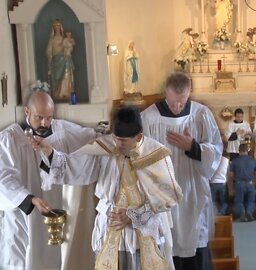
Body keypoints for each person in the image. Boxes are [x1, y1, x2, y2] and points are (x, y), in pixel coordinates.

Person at [34, 106, 182, 270]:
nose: (118, 144)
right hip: (109, 227)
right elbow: (74, 166)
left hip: (141, 232)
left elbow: (168, 197)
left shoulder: (155, 155)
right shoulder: (105, 147)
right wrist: (49, 151)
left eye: (124, 140)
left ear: (139, 137)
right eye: (116, 138)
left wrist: (132, 216)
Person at [0, 87, 96, 269]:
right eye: (39, 117)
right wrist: (30, 199)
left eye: (49, 117)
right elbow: (3, 178)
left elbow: (91, 139)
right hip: (25, 215)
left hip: (57, 210)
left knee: (58, 258)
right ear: (27, 112)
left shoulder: (62, 131)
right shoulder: (9, 139)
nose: (45, 122)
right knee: (27, 258)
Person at [141, 71, 223, 270]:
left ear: (189, 94)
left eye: (182, 101)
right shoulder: (149, 118)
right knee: (166, 247)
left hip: (193, 192)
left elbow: (216, 149)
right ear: (165, 94)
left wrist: (193, 147)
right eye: (172, 102)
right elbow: (140, 158)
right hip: (162, 196)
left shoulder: (201, 114)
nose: (177, 107)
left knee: (196, 245)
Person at [229, 143, 256, 222]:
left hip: (239, 182)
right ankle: (249, 212)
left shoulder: (234, 161)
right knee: (251, 200)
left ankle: (242, 213)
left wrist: (234, 182)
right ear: (247, 150)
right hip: (250, 182)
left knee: (239, 200)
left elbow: (231, 174)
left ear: (239, 151)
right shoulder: (253, 160)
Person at [46, 19, 73, 100]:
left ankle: (65, 93)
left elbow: (69, 48)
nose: (57, 28)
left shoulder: (64, 38)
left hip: (65, 59)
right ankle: (57, 94)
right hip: (56, 60)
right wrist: (50, 57)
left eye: (58, 26)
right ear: (53, 28)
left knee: (66, 74)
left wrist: (68, 46)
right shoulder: (52, 39)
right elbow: (49, 50)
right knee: (57, 78)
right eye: (55, 26)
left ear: (61, 27)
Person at [57, 31, 75, 99]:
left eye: (69, 34)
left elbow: (72, 46)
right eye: (67, 34)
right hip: (65, 58)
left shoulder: (71, 40)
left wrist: (70, 43)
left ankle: (69, 91)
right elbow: (62, 46)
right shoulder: (65, 41)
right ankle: (63, 92)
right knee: (65, 76)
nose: (68, 35)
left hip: (68, 58)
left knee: (69, 75)